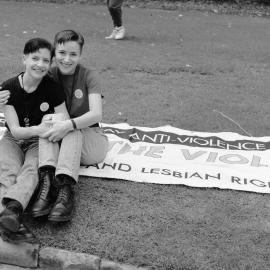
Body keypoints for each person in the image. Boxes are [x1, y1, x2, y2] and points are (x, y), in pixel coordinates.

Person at [29, 30, 108, 223]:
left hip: (90, 140)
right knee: (50, 121)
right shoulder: (48, 74)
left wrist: (68, 125)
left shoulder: (89, 75)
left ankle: (66, 190)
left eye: (73, 54)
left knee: (69, 127)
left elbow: (96, 113)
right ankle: (48, 186)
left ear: (80, 55)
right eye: (62, 53)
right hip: (61, 139)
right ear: (54, 53)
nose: (66, 59)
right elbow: (23, 88)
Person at [0, 38, 68, 243]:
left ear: (50, 64)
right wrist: (42, 126)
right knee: (7, 171)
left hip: (39, 141)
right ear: (24, 59)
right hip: (13, 138)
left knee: (31, 170)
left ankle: (12, 211)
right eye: (35, 58)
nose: (40, 64)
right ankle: (9, 219)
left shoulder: (52, 88)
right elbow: (17, 131)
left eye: (45, 60)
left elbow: (63, 117)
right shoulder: (8, 88)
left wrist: (52, 123)